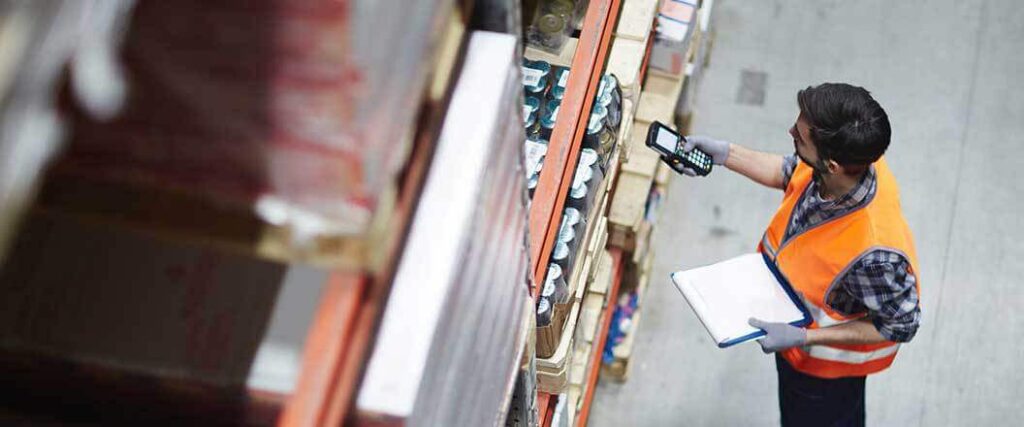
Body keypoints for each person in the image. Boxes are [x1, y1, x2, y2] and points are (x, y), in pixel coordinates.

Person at [682, 83, 921, 427]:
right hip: (791, 336)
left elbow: (902, 324)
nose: (790, 131)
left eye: (800, 135)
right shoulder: (851, 167)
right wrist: (725, 154)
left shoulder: (876, 254)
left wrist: (805, 337)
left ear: (833, 165)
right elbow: (792, 170)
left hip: (822, 377)